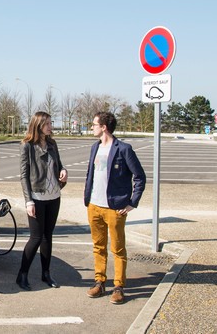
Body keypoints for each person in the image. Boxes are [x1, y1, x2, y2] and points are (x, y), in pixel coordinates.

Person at [84, 111, 146, 305]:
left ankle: (119, 286)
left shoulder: (124, 149)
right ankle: (99, 282)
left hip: (115, 208)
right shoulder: (95, 147)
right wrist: (87, 199)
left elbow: (140, 177)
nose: (92, 127)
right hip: (94, 206)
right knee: (98, 246)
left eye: (94, 124)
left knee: (117, 248)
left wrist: (131, 203)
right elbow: (91, 175)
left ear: (104, 127)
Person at [17, 111, 68, 291]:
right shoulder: (27, 145)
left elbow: (59, 165)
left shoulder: (52, 143)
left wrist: (63, 171)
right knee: (36, 238)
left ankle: (46, 273)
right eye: (47, 124)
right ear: (38, 125)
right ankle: (22, 274)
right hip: (37, 197)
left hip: (54, 196)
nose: (50, 126)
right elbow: (24, 176)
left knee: (48, 237)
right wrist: (28, 201)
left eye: (50, 123)